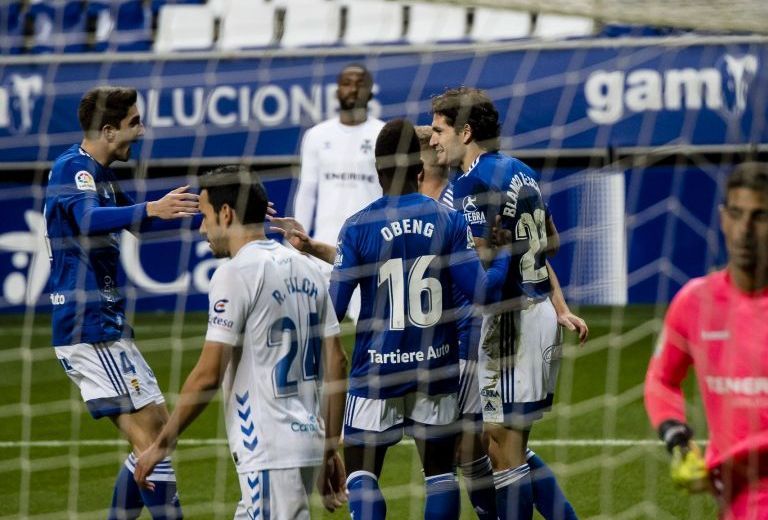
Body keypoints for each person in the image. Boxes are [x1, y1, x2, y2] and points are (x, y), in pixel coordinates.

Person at [133, 166, 349, 518]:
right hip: (307, 440)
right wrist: (327, 448)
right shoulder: (307, 268)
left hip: (269, 447)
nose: (202, 229)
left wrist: (162, 443)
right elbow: (337, 361)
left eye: (204, 216)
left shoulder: (235, 274)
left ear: (226, 213)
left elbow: (207, 374)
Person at [328, 118, 513, 519]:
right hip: (436, 367)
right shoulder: (447, 219)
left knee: (362, 476)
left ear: (376, 173)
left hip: (375, 370)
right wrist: (501, 257)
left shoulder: (356, 227)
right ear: (418, 170)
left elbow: (334, 312)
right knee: (440, 475)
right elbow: (482, 292)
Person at [430, 87, 587, 520]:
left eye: (439, 130)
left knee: (502, 449)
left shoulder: (471, 184)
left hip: (509, 324)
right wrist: (558, 304)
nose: (432, 140)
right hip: (538, 316)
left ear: (464, 131)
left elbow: (484, 271)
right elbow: (549, 242)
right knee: (509, 442)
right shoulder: (520, 171)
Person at [44, 86, 198, 519]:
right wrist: (150, 207)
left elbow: (143, 224)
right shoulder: (72, 169)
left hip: (106, 323)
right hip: (86, 326)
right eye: (134, 123)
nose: (141, 130)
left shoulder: (101, 175)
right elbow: (89, 219)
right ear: (108, 130)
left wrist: (232, 217)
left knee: (158, 435)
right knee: (153, 442)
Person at [644, 163, 768, 519]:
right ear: (722, 218)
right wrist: (678, 441)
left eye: (759, 216)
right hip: (733, 500)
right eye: (737, 213)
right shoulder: (695, 303)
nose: (745, 230)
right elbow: (662, 379)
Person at [292, 63, 385, 321]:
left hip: (368, 245)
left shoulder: (383, 133)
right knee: (318, 326)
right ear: (337, 90)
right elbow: (307, 190)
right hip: (323, 245)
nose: (353, 88)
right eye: (347, 82)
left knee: (367, 325)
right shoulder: (317, 135)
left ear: (370, 91)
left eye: (360, 83)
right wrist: (300, 238)